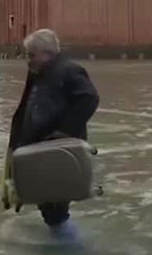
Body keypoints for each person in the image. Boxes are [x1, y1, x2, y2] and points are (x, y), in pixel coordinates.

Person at [8, 29, 99, 238]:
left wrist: (63, 133)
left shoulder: (69, 70)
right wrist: (15, 146)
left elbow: (89, 98)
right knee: (48, 208)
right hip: (39, 151)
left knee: (54, 210)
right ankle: (68, 247)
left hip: (57, 153)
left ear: (48, 53)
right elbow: (24, 110)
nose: (27, 61)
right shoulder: (38, 74)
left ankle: (76, 254)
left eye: (32, 55)